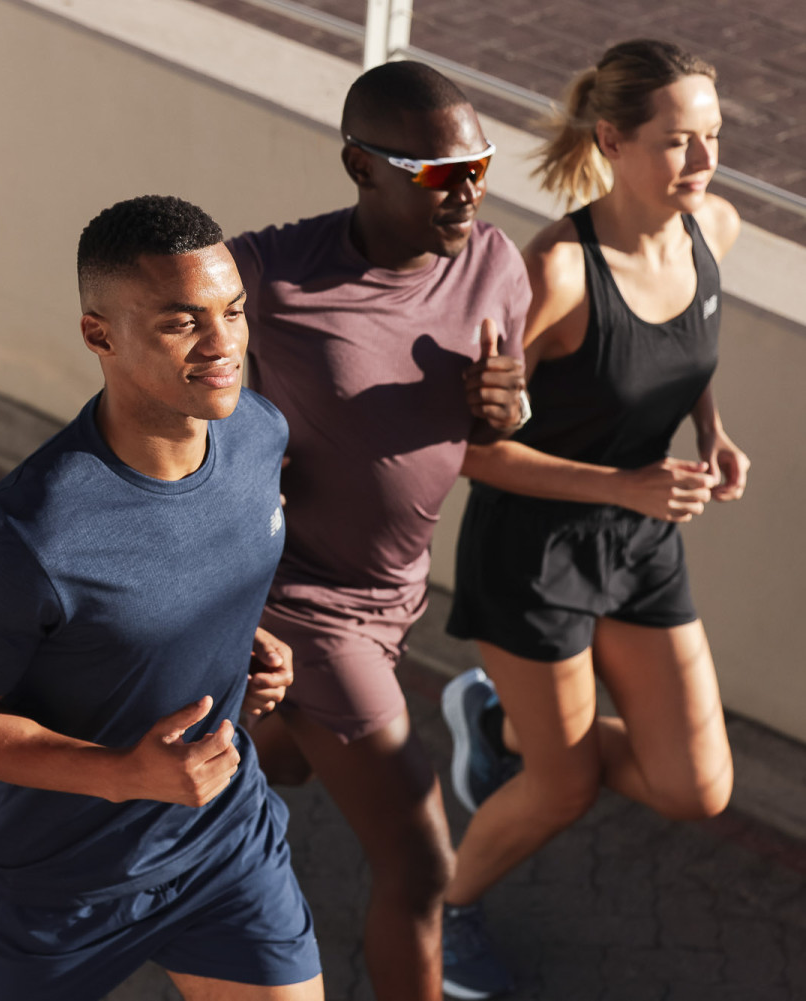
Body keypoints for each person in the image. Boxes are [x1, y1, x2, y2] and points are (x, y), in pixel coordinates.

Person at [0, 195, 323, 1000]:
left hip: (224, 846)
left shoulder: (256, 433)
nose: (224, 346)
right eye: (184, 323)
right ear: (98, 333)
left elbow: (197, 568)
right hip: (59, 890)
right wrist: (120, 773)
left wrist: (239, 635)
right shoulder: (31, 532)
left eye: (235, 312)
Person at [438, 39, 747, 999]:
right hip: (536, 550)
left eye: (712, 139)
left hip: (642, 544)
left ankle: (498, 727)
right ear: (612, 139)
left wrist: (713, 428)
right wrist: (625, 486)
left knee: (698, 790)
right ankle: (439, 911)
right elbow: (467, 450)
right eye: (678, 143)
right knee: (564, 789)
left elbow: (681, 356)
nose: (702, 164)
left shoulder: (716, 228)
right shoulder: (561, 273)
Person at [226, 62, 530, 1001]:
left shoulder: (494, 264)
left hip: (400, 590)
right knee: (422, 863)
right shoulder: (270, 275)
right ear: (362, 166)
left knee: (273, 764)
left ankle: (175, 841)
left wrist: (509, 408)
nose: (469, 186)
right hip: (306, 603)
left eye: (478, 162)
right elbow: (156, 385)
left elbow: (490, 427)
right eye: (440, 171)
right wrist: (234, 460)